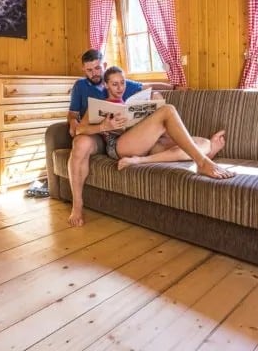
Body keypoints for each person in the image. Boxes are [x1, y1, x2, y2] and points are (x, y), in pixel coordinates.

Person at [70, 66, 234, 226]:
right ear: (106, 85)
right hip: (118, 146)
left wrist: (152, 105)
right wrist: (103, 127)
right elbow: (79, 130)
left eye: (122, 83)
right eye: (114, 84)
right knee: (168, 110)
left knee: (204, 143)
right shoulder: (100, 105)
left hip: (144, 144)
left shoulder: (129, 102)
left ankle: (141, 160)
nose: (120, 88)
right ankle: (202, 162)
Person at [65, 50, 174, 227]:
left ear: (104, 65)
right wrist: (73, 123)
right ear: (83, 70)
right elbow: (73, 114)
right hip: (94, 132)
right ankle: (77, 205)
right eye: (89, 70)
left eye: (97, 68)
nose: (94, 73)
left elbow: (147, 87)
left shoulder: (119, 82)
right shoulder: (80, 86)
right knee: (80, 143)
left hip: (118, 136)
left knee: (162, 128)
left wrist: (173, 87)